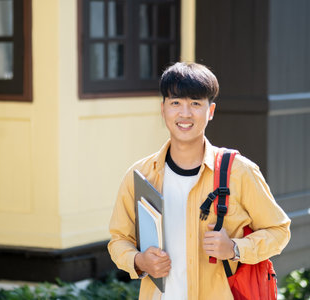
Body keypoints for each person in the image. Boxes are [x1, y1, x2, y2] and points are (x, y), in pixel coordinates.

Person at [108, 62, 291, 300]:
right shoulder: (141, 175)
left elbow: (279, 231)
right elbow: (119, 240)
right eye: (176, 103)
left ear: (211, 111)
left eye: (195, 103)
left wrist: (235, 249)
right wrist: (139, 260)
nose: (185, 113)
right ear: (163, 109)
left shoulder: (239, 171)